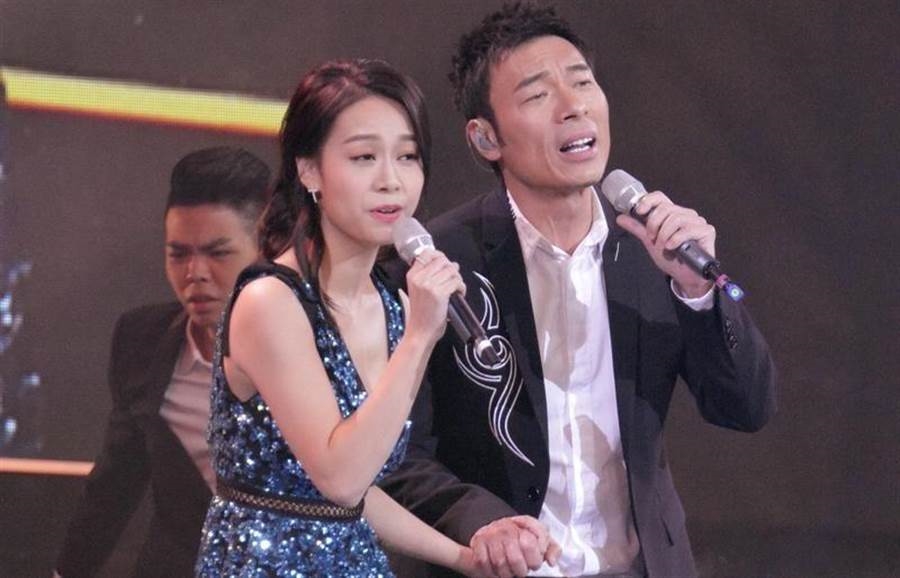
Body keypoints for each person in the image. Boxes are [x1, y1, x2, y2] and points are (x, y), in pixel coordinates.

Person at [381, 3, 778, 578]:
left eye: (583, 83)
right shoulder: (438, 263)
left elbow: (745, 408)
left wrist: (699, 292)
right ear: (486, 138)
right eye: (538, 95)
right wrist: (483, 523)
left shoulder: (655, 248)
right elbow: (399, 453)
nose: (574, 107)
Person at [194, 59, 494, 577]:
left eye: (407, 156)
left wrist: (464, 559)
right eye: (363, 157)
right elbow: (341, 478)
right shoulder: (270, 302)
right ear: (309, 170)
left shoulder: (393, 304)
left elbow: (359, 496)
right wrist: (420, 337)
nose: (391, 181)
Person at [54, 147, 271, 577]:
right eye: (178, 254)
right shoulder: (143, 340)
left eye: (218, 253)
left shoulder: (314, 345)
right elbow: (116, 481)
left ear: (265, 249)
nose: (195, 273)